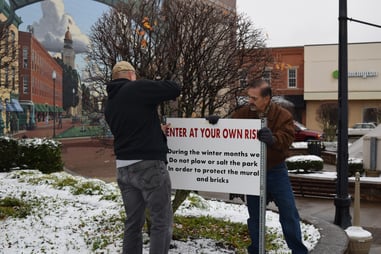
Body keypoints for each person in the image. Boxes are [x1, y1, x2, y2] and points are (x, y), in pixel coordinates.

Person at [104, 61, 181, 254]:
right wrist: (153, 80)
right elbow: (174, 89)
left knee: (133, 223)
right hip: (149, 167)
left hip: (124, 169)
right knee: (161, 222)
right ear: (131, 75)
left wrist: (157, 129)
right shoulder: (135, 88)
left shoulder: (110, 104)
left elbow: (132, 128)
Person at [232, 79, 308, 254]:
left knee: (289, 212)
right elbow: (229, 129)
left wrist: (273, 139)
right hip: (253, 171)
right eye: (248, 97)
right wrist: (215, 124)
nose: (250, 101)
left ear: (267, 98)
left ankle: (298, 251)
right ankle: (256, 249)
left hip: (276, 170)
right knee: (255, 216)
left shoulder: (283, 115)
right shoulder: (244, 113)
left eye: (254, 98)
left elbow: (287, 138)